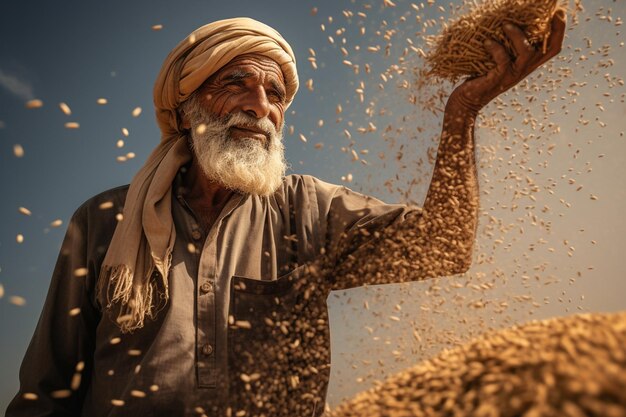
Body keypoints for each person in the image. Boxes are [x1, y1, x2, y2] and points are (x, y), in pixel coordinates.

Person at [7, 14, 565, 417]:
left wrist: (462, 111)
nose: (260, 105)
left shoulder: (305, 210)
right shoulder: (104, 220)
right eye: (236, 83)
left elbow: (444, 245)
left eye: (275, 93)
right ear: (185, 107)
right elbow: (48, 388)